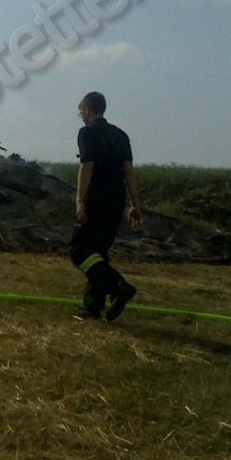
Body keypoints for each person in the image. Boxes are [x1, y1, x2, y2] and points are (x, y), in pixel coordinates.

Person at [69, 92, 142, 320]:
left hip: (97, 198)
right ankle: (93, 307)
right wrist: (135, 204)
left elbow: (87, 166)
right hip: (116, 199)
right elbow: (128, 171)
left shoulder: (87, 132)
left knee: (79, 251)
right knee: (98, 252)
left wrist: (80, 201)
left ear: (88, 110)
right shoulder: (121, 135)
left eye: (81, 112)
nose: (81, 117)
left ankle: (119, 286)